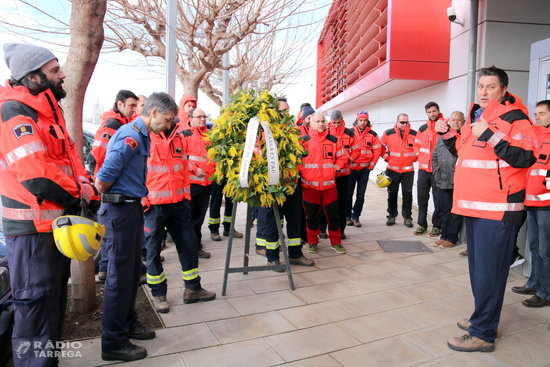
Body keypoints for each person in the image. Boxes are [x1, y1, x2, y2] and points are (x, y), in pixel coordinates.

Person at [0, 43, 99, 366]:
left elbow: (70, 159)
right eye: (54, 70)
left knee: (50, 313)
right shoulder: (14, 112)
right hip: (32, 234)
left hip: (51, 229)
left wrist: (84, 185)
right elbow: (36, 176)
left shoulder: (46, 108)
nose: (63, 74)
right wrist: (78, 195)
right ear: (32, 78)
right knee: (35, 317)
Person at [435, 66, 537, 352]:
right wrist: (447, 137)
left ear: (503, 90)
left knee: (490, 274)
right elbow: (467, 155)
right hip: (476, 207)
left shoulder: (516, 119)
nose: (483, 92)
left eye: (490, 87)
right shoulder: (478, 117)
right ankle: (482, 318)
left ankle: (483, 334)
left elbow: (525, 157)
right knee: (480, 272)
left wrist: (492, 135)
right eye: (480, 86)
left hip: (498, 210)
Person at [95, 92, 178, 361]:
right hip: (119, 209)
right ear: (153, 112)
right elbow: (105, 176)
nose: (167, 126)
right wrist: (111, 196)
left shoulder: (141, 135)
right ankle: (113, 341)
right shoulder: (130, 135)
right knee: (119, 278)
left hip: (130, 207)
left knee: (131, 273)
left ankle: (128, 323)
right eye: (166, 120)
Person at [143, 111, 216, 314]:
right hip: (154, 206)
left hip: (179, 204)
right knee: (153, 251)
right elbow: (134, 172)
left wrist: (185, 197)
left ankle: (193, 289)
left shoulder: (178, 137)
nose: (170, 121)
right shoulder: (144, 137)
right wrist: (143, 201)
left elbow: (184, 167)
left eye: (171, 119)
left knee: (189, 245)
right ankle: (159, 294)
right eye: (168, 118)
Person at [255, 98, 314, 269]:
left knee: (295, 220)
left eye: (288, 110)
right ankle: (272, 257)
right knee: (272, 221)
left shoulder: (292, 132)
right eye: (282, 110)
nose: (286, 113)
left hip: (291, 183)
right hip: (271, 186)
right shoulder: (263, 132)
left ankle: (295, 253)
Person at [91, 89, 139, 282]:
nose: (134, 110)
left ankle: (106, 269)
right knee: (110, 234)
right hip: (109, 185)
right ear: (119, 104)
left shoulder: (122, 123)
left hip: (111, 183)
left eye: (136, 106)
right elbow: (101, 156)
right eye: (131, 106)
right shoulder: (113, 124)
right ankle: (105, 270)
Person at [511, 100, 550, 308]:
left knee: (546, 251)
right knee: (534, 247)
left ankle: (546, 292)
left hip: (547, 204)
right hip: (531, 201)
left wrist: (546, 186)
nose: (537, 117)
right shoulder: (536, 134)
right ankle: (534, 282)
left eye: (541, 114)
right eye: (536, 114)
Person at [300, 113, 347, 254]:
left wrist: (336, 168)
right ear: (311, 123)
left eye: (323, 121)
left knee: (333, 215)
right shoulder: (303, 141)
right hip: (309, 187)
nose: (321, 124)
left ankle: (336, 242)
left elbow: (342, 157)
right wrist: (303, 172)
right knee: (311, 216)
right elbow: (296, 161)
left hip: (329, 187)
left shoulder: (333, 140)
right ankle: (312, 242)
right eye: (318, 121)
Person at [319, 110, 357, 239]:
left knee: (342, 203)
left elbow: (356, 150)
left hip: (344, 174)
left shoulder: (350, 133)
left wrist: (349, 158)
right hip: (328, 175)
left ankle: (341, 230)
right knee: (325, 203)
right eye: (333, 123)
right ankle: (322, 229)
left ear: (342, 119)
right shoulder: (325, 132)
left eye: (338, 123)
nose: (336, 125)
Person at [431, 111, 465, 248]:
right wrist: (436, 174)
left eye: (459, 120)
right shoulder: (442, 137)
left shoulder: (463, 138)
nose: (456, 122)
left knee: (455, 212)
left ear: (463, 122)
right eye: (453, 120)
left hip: (457, 182)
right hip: (443, 180)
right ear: (449, 121)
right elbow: (434, 157)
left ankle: (452, 238)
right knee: (444, 209)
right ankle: (444, 235)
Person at [187, 108, 215, 258]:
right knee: (190, 218)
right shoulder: (185, 135)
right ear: (191, 119)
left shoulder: (210, 136)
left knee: (199, 218)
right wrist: (194, 169)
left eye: (204, 116)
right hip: (191, 184)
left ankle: (195, 246)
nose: (203, 119)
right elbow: (182, 157)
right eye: (199, 116)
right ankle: (192, 248)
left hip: (206, 184)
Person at [380, 113, 417, 227]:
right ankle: (391, 216)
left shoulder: (414, 134)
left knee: (407, 194)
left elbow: (419, 148)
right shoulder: (388, 133)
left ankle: (407, 217)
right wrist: (387, 158)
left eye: (406, 122)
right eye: (402, 122)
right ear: (397, 122)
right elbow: (380, 147)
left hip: (408, 171)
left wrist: (414, 158)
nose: (404, 124)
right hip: (392, 170)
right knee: (392, 194)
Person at [347, 111, 382, 227]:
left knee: (360, 195)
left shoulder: (373, 134)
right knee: (348, 194)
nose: (362, 122)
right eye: (361, 120)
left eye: (365, 120)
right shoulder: (349, 133)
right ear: (357, 121)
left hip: (364, 170)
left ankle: (356, 216)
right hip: (351, 169)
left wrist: (371, 166)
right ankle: (347, 216)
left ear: (368, 122)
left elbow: (377, 150)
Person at [414, 101, 444, 236]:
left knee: (438, 199)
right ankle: (422, 224)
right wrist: (418, 156)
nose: (432, 114)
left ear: (438, 111)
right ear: (426, 113)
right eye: (429, 112)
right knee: (422, 198)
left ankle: (437, 226)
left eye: (434, 111)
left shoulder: (444, 127)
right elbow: (416, 146)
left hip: (438, 170)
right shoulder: (422, 128)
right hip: (423, 170)